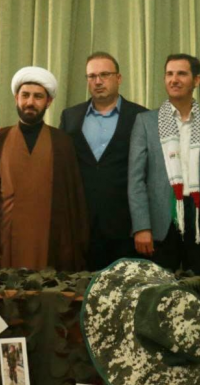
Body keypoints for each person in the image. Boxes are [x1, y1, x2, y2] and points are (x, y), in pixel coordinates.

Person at [128, 54, 200, 310]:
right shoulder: (145, 122)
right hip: (161, 221)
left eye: (181, 73)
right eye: (169, 74)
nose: (174, 79)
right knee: (158, 297)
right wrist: (141, 226)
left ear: (196, 80)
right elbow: (136, 179)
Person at [0, 66, 89, 272]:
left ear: (48, 101)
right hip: (6, 236)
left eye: (38, 96)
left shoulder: (62, 142)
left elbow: (72, 200)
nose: (30, 102)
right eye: (25, 95)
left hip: (49, 236)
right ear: (16, 98)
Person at [59, 52, 148, 271]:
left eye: (104, 75)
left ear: (119, 78)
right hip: (81, 225)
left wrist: (143, 225)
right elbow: (58, 160)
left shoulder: (141, 116)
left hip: (125, 226)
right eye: (92, 76)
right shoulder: (70, 116)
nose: (98, 81)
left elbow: (149, 172)